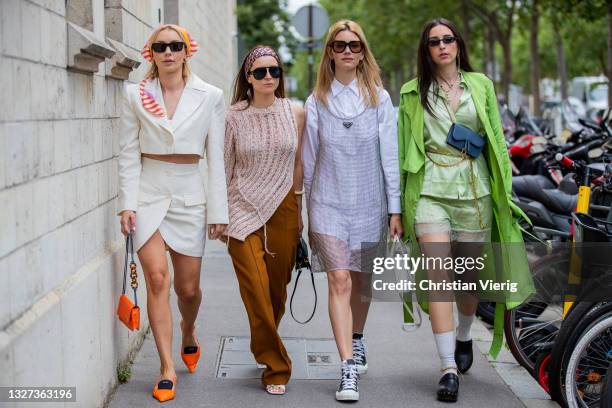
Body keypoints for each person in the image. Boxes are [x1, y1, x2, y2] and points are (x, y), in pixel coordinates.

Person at [398, 18, 533, 402]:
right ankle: (447, 368)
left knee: (467, 283)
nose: (442, 46)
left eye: (448, 39)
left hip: (475, 193)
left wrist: (505, 191)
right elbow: (400, 150)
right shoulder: (412, 93)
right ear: (425, 50)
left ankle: (464, 334)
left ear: (458, 44)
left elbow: (496, 142)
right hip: (429, 192)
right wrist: (395, 208)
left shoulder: (481, 85)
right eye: (434, 42)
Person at [117, 24, 228, 402]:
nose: (168, 52)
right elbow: (129, 153)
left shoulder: (210, 95)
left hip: (188, 195)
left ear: (186, 51)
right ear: (151, 53)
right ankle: (166, 368)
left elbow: (216, 156)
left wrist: (219, 210)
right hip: (149, 194)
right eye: (160, 46)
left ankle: (189, 329)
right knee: (158, 280)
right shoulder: (135, 94)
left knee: (188, 288)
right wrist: (127, 204)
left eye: (174, 46)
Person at [302, 20, 403, 401]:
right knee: (339, 281)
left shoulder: (379, 98)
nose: (347, 51)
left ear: (363, 52)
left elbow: (389, 158)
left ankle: (357, 338)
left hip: (369, 204)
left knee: (361, 282)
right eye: (340, 45)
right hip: (327, 204)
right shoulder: (316, 101)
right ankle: (347, 368)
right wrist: (304, 215)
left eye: (355, 45)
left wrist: (395, 209)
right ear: (329, 51)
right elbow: (309, 162)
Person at [222, 45, 304, 396]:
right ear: (248, 77)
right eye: (260, 72)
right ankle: (276, 366)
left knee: (276, 290)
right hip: (241, 209)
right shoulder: (232, 117)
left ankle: (263, 342)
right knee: (255, 287)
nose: (268, 77)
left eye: (274, 71)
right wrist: (218, 214)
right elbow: (224, 168)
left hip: (285, 205)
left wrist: (300, 209)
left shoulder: (296, 111)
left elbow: (300, 163)